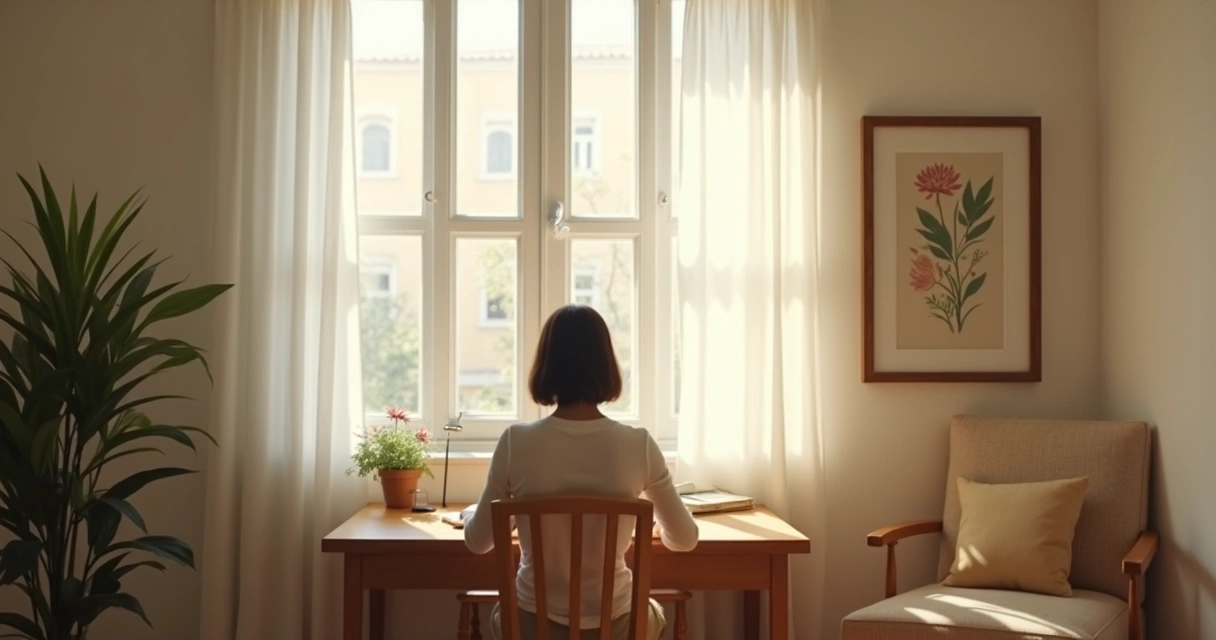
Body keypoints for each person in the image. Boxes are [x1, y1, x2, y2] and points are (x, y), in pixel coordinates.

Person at [463, 304, 699, 640]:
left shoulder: (516, 442)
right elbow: (686, 539)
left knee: (505, 613)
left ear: (546, 367)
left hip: (531, 627)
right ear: (605, 366)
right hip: (617, 628)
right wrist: (659, 526)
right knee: (653, 611)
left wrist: (485, 513)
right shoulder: (638, 445)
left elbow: (478, 542)